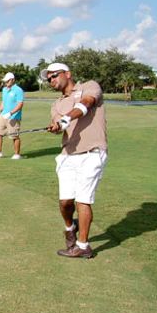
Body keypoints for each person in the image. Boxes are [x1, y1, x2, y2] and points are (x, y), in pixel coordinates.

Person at [42, 62, 108, 258]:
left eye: (54, 75)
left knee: (83, 200)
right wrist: (56, 127)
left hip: (92, 152)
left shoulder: (89, 86)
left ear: (67, 74)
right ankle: (70, 228)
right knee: (65, 202)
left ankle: (83, 245)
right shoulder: (56, 104)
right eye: (49, 78)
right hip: (68, 155)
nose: (51, 80)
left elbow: (87, 103)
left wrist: (66, 118)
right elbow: (59, 124)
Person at [0, 72, 24, 160]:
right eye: (5, 81)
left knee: (14, 136)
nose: (6, 83)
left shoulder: (18, 90)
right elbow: (3, 102)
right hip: (3, 115)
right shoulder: (4, 90)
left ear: (12, 80)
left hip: (14, 117)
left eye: (7, 81)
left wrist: (11, 113)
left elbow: (20, 104)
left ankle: (17, 154)